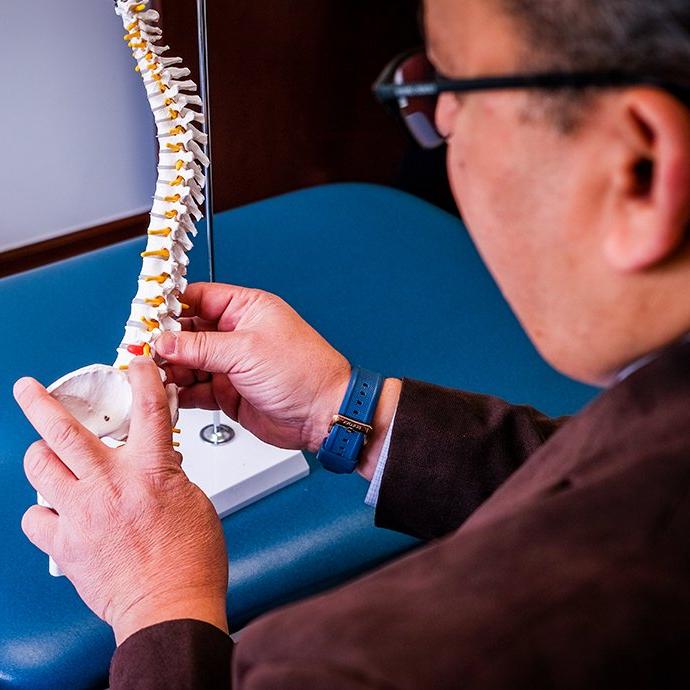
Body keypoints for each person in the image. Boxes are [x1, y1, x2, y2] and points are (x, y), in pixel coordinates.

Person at [14, 0, 690, 687]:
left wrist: (155, 603)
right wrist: (346, 411)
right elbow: (585, 473)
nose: (441, 123)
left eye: (448, 87)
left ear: (640, 165)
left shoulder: (354, 663)